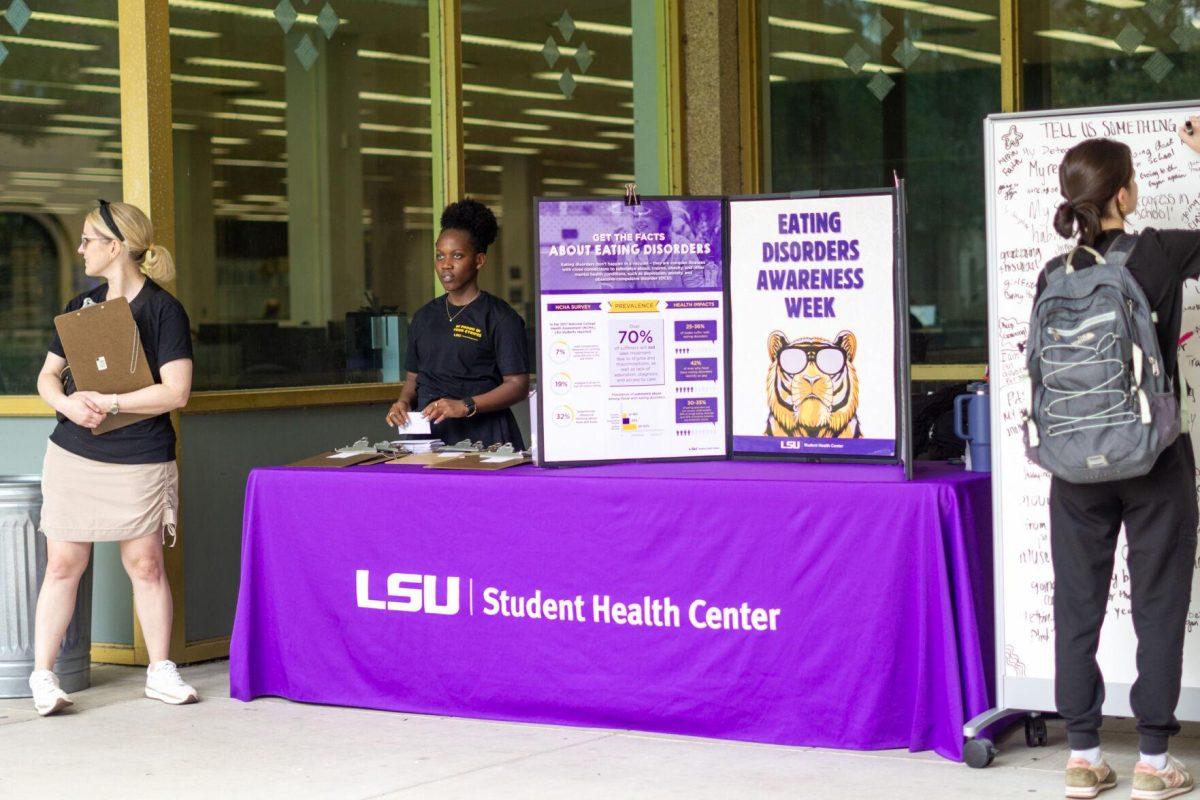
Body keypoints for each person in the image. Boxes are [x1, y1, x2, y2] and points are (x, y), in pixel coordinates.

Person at [1040, 126, 1200, 799]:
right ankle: (1154, 762)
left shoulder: (1054, 274)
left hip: (1073, 465)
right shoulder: (1160, 253)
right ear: (1125, 194)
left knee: (1078, 604)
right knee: (1157, 604)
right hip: (1153, 458)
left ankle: (1082, 756)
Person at [30, 200, 198, 716]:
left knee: (145, 564)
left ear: (115, 246)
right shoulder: (82, 306)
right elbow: (46, 376)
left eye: (86, 239)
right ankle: (43, 676)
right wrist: (66, 402)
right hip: (74, 452)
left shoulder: (164, 311)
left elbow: (177, 392)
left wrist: (112, 402)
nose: (79, 248)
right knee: (63, 563)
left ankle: (160, 671)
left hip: (139, 454)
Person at [385, 199, 530, 448]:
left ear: (479, 260)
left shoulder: (500, 318)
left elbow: (517, 386)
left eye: (457, 256)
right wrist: (403, 403)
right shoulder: (423, 317)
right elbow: (413, 379)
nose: (446, 265)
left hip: (486, 441)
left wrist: (465, 406)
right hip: (428, 441)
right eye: (440, 256)